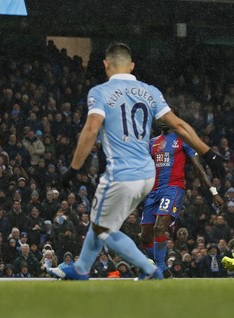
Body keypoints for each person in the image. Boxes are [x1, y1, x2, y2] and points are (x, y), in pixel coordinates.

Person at [49, 42, 225, 280]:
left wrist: (73, 168)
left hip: (121, 173)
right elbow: (180, 125)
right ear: (132, 66)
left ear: (105, 65)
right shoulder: (151, 91)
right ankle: (81, 268)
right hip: (146, 175)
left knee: (103, 229)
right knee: (100, 220)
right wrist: (209, 153)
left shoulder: (100, 92)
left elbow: (91, 130)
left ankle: (151, 268)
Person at [140, 105, 224, 277]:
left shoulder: (182, 140)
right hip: (153, 192)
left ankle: (161, 270)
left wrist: (214, 192)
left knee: (160, 226)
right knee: (145, 237)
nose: (162, 120)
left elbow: (199, 169)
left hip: (173, 189)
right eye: (160, 118)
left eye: (166, 117)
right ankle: (160, 265)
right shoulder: (151, 143)